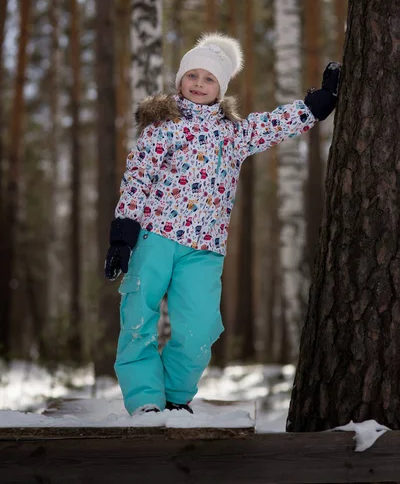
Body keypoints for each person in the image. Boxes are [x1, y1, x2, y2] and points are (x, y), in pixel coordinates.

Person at [105, 33, 341, 416]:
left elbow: (273, 125)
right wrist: (122, 236)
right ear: (180, 80)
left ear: (221, 88)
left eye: (209, 78)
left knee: (199, 329)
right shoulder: (163, 126)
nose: (199, 84)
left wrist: (317, 106)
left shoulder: (233, 134)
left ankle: (175, 397)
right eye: (192, 76)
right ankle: (145, 399)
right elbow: (137, 176)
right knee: (138, 319)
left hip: (204, 249)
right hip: (153, 238)